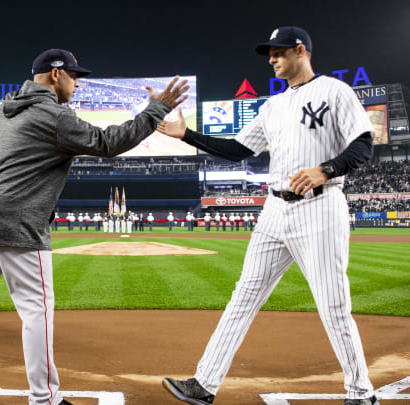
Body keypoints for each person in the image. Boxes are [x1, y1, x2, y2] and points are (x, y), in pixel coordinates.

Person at [0, 48, 188, 405]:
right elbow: (108, 143)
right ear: (55, 75)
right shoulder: (53, 115)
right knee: (36, 308)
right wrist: (156, 109)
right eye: (75, 76)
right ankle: (45, 398)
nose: (78, 83)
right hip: (16, 218)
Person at [158, 27, 378, 405]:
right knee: (243, 296)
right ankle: (204, 384)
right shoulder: (272, 106)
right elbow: (236, 149)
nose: (272, 60)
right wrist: (187, 135)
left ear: (300, 51)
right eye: (269, 55)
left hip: (320, 208)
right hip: (274, 211)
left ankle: (361, 393)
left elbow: (363, 144)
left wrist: (325, 169)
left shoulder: (335, 91)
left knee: (332, 303)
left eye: (277, 53)